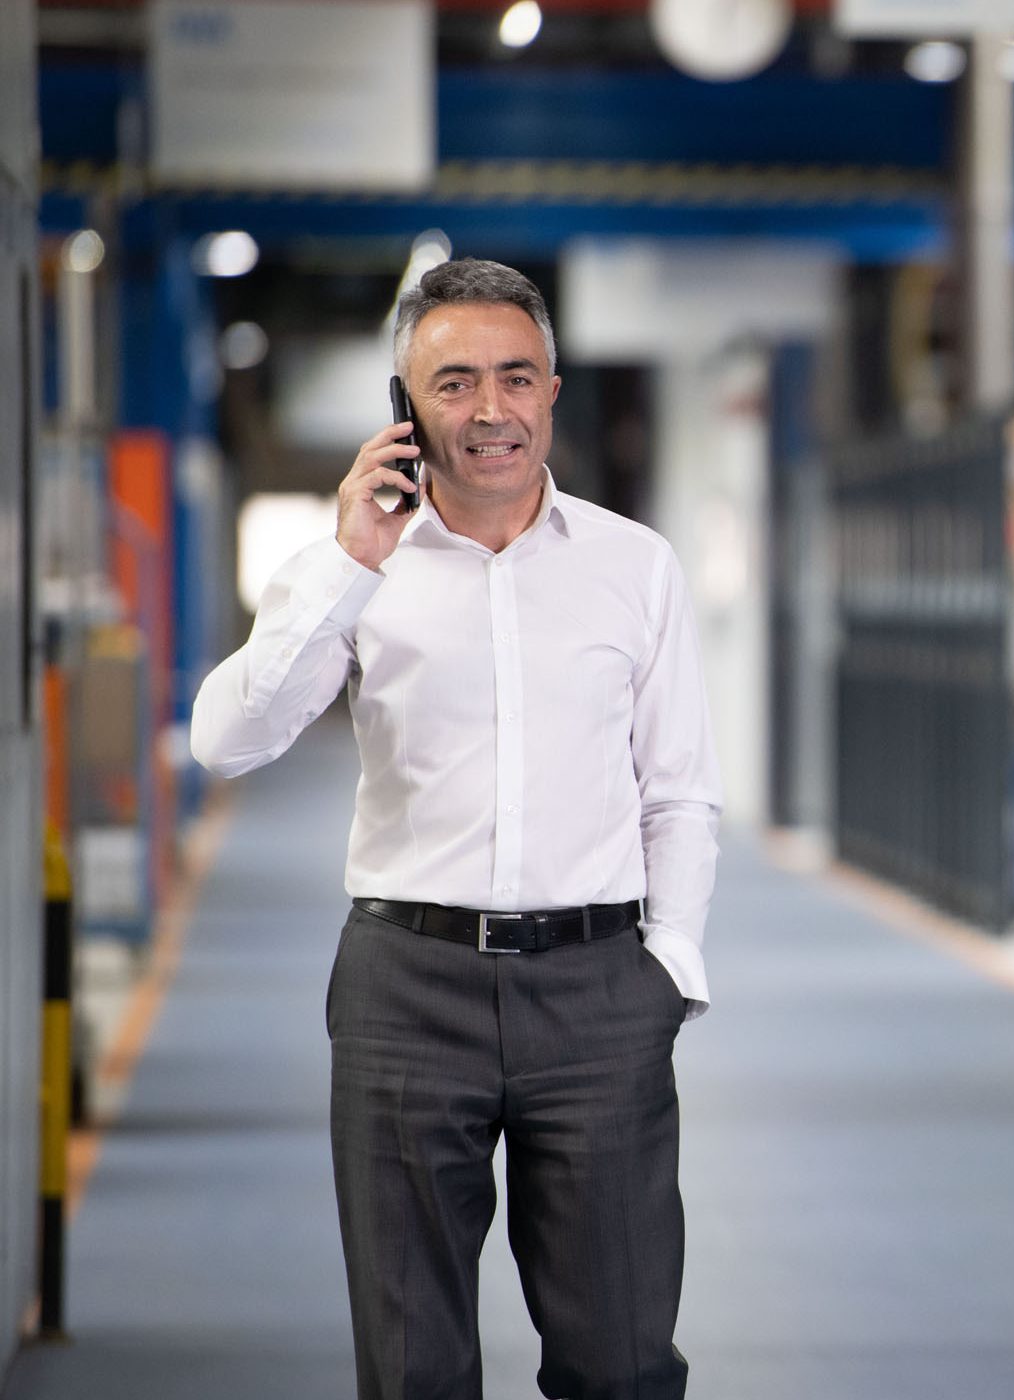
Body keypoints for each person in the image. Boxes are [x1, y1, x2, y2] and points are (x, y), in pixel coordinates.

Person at [190, 257, 722, 1400]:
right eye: (454, 382)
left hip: (596, 991)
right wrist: (347, 565)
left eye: (515, 378)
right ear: (403, 404)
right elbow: (224, 741)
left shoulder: (635, 569)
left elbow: (677, 789)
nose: (489, 410)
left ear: (552, 391)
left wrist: (664, 971)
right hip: (404, 988)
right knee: (414, 1364)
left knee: (623, 1361)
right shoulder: (348, 570)